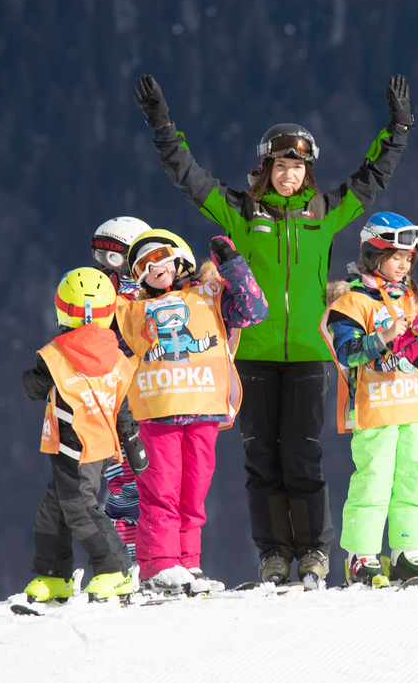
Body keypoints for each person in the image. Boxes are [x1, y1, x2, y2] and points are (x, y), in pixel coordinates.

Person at [132, 73, 412, 585]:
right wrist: (162, 126)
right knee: (261, 459)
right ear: (267, 168)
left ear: (308, 172)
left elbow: (372, 178)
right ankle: (274, 554)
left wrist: (398, 129)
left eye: (299, 167)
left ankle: (313, 551)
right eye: (282, 167)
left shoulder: (323, 211)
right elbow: (189, 178)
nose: (290, 175)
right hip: (253, 354)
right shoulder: (242, 211)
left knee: (302, 455)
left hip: (308, 353)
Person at [113, 229, 268, 593]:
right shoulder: (131, 310)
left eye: (159, 257)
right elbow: (107, 344)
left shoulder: (209, 294)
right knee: (160, 490)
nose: (153, 268)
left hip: (202, 410)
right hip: (158, 412)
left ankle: (187, 563)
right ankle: (159, 565)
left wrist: (232, 265)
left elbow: (254, 311)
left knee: (193, 493)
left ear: (178, 258)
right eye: (142, 265)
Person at [319, 212, 418, 587]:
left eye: (409, 259)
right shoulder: (352, 301)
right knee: (374, 479)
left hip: (415, 405)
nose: (404, 265)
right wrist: (383, 337)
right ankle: (361, 555)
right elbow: (346, 351)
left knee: (415, 479)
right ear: (373, 254)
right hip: (375, 405)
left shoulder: (412, 298)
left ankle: (407, 552)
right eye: (397, 257)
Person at [19, 268, 138, 602]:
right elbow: (122, 404)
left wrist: (35, 378)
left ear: (63, 310)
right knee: (55, 506)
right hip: (98, 445)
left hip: (74, 446)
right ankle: (54, 575)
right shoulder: (116, 357)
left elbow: (31, 387)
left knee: (79, 507)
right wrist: (132, 441)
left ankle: (117, 570)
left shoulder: (56, 355)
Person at [91, 216, 151, 563]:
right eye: (101, 257)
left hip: (149, 400)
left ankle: (151, 560)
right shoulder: (103, 297)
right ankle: (131, 563)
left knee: (147, 486)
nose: (108, 267)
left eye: (115, 257)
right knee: (126, 486)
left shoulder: (149, 293)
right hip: (120, 405)